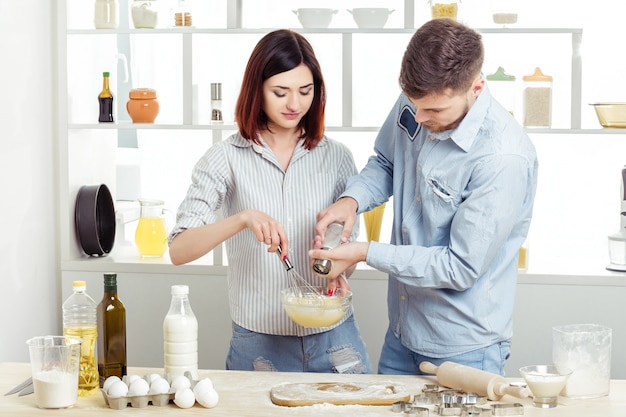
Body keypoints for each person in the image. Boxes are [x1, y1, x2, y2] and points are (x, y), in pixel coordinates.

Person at [310, 18, 538, 376]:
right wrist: (350, 201)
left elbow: (459, 267)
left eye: (433, 111)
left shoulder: (502, 159)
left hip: (464, 348)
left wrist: (365, 252)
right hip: (402, 333)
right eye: (413, 104)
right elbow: (387, 161)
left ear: (475, 87)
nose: (418, 116)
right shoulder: (423, 93)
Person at [168, 29, 372, 374]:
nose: (294, 104)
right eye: (280, 92)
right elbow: (179, 250)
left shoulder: (337, 157)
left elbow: (347, 256)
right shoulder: (225, 158)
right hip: (259, 346)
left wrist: (338, 266)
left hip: (334, 338)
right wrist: (242, 219)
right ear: (256, 90)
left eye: (305, 91)